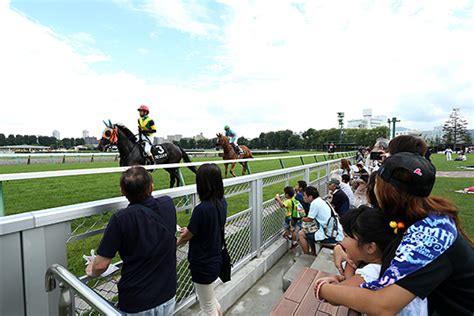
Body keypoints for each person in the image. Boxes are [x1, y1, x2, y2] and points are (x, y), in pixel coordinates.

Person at [318, 152, 474, 315]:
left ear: (385, 190)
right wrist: (340, 248)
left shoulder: (430, 234)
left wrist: (322, 289)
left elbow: (383, 305)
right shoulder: (415, 215)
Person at [86, 166, 177, 315]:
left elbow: (101, 265)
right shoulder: (167, 203)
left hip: (137, 301)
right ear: (152, 186)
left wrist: (92, 269)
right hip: (167, 293)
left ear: (122, 191)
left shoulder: (120, 219)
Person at [315, 206, 428, 316]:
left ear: (370, 248)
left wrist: (323, 285)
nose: (342, 242)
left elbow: (335, 296)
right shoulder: (395, 262)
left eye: (346, 236)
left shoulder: (373, 272)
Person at [177, 163, 227, 316]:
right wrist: (189, 231)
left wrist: (176, 242)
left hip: (203, 263)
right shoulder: (222, 202)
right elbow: (199, 229)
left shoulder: (201, 209)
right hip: (215, 258)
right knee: (211, 300)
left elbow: (187, 235)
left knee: (207, 307)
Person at [298, 186, 343, 255]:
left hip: (330, 235)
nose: (303, 197)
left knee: (301, 233)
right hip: (334, 231)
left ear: (310, 197)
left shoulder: (314, 203)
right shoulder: (321, 201)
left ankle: (306, 256)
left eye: (304, 195)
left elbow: (309, 219)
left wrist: (300, 217)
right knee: (308, 230)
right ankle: (313, 252)